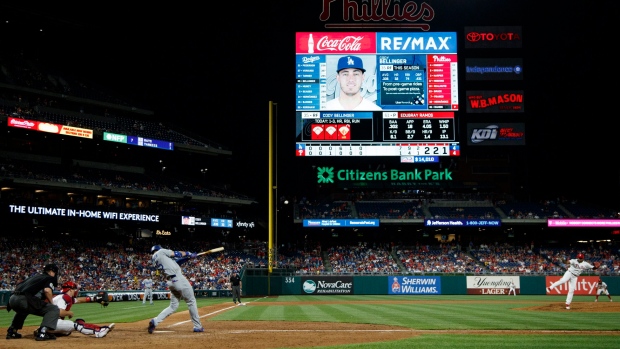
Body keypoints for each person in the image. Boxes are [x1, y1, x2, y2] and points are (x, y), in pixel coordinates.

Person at [147, 245, 204, 333]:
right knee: (191, 301)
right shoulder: (161, 251)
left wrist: (188, 258)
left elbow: (175, 263)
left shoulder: (155, 259)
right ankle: (198, 326)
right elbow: (176, 253)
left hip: (171, 282)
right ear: (159, 248)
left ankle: (155, 321)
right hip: (178, 279)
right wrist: (188, 253)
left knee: (173, 306)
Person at [6, 263, 61, 341]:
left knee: (23, 310)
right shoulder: (49, 277)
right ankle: (43, 333)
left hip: (12, 299)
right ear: (52, 271)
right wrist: (52, 303)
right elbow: (47, 290)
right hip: (24, 299)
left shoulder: (35, 277)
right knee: (53, 309)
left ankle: (12, 331)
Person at [48, 281, 114, 338]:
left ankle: (48, 332)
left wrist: (94, 298)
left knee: (73, 326)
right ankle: (99, 331)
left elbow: (79, 300)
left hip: (52, 323)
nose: (75, 291)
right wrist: (69, 313)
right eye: (74, 289)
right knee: (77, 324)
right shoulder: (62, 297)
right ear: (70, 290)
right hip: (53, 323)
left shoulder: (65, 297)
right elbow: (59, 312)